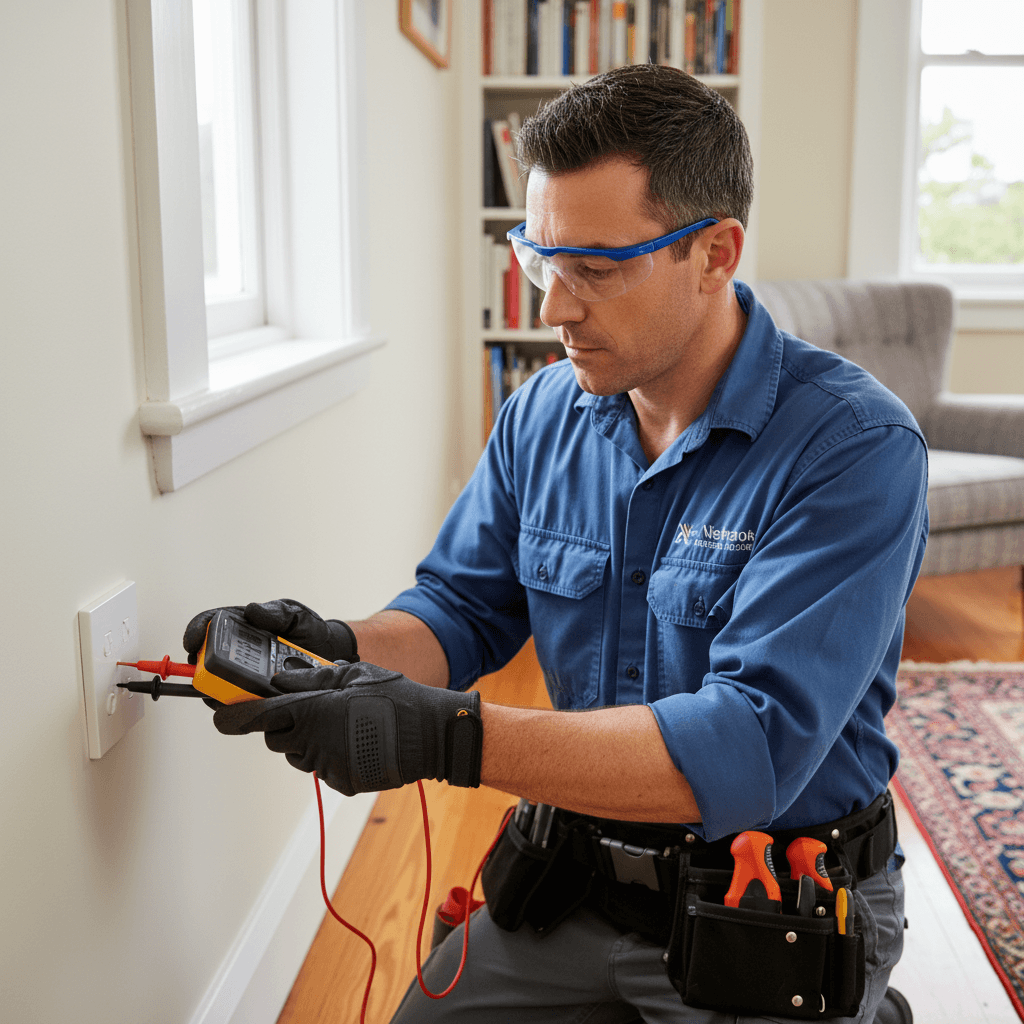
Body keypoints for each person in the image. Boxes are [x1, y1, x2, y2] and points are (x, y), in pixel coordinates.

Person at [185, 65, 926, 1024]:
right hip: (575, 885)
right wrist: (334, 650)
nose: (553, 310)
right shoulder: (544, 413)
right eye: (542, 261)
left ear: (715, 251)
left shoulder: (853, 448)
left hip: (767, 906)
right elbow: (459, 608)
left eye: (596, 270)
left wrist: (445, 736)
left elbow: (750, 741)